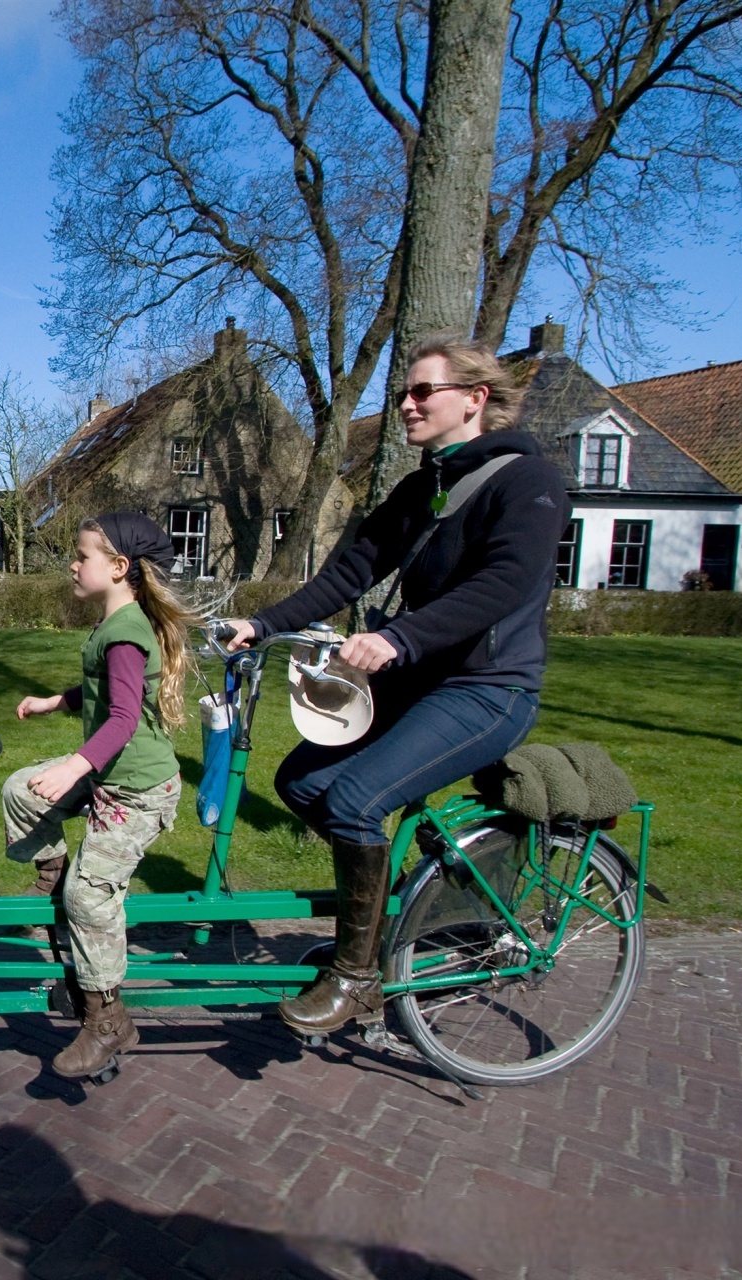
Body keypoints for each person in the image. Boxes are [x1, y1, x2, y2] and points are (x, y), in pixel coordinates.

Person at [220, 332, 570, 1038]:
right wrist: (261, 624)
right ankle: (399, 916)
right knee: (301, 781)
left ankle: (356, 979)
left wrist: (397, 638)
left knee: (354, 800)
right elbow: (350, 572)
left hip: (489, 690)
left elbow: (504, 583)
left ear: (474, 399)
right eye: (403, 392)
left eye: (422, 391)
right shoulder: (422, 488)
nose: (407, 404)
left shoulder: (528, 481)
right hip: (422, 683)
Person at [8, 512, 196, 1078]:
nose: (72, 564)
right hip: (108, 776)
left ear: (118, 568)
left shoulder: (127, 630)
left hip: (138, 792)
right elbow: (105, 690)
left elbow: (121, 718)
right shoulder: (114, 624)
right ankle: (54, 878)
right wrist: (56, 702)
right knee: (21, 791)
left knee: (90, 899)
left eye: (81, 555)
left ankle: (108, 1021)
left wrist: (74, 766)